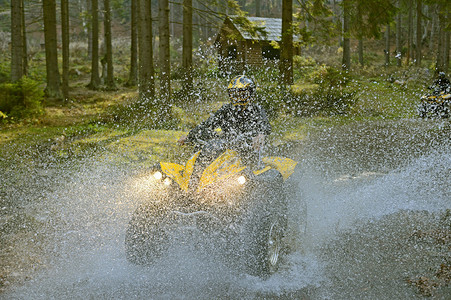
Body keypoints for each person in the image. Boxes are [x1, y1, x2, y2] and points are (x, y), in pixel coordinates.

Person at [178, 75, 271, 164]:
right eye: (234, 94)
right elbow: (207, 124)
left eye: (242, 94)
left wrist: (260, 134)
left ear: (250, 94)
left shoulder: (257, 110)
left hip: (248, 151)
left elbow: (266, 126)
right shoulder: (226, 110)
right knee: (202, 145)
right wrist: (189, 136)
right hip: (226, 149)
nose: (238, 98)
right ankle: (196, 173)